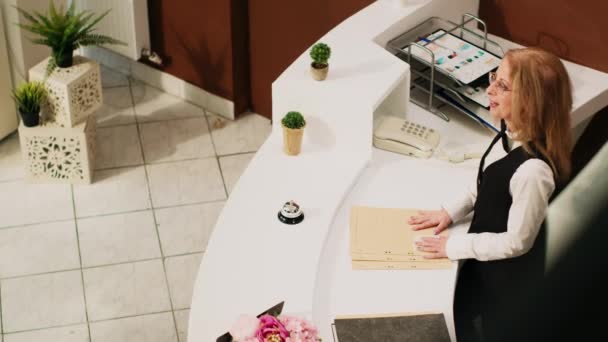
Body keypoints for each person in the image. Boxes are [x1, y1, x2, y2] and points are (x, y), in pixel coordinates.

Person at [408, 47, 573, 342]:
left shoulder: (533, 173)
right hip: (480, 259)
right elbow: (486, 179)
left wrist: (454, 247)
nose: (489, 88)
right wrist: (451, 211)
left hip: (502, 284)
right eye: (494, 77)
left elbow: (517, 243)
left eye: (502, 85)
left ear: (529, 102)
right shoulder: (511, 131)